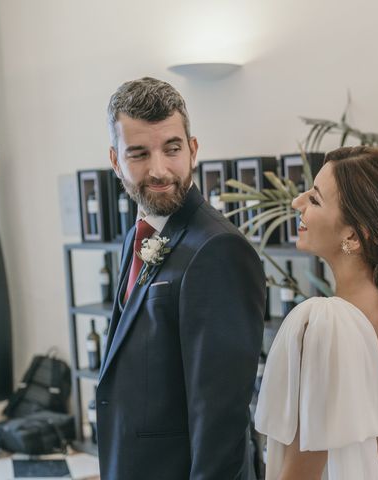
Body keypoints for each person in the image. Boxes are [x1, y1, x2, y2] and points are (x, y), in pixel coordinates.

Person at [97, 77, 266, 480]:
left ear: (192, 150)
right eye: (138, 153)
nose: (159, 170)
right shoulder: (138, 233)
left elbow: (221, 420)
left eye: (171, 149)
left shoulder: (218, 249)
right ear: (116, 161)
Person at [255, 146, 378, 479]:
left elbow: (299, 473)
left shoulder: (328, 325)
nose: (296, 203)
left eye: (315, 200)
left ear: (353, 235)